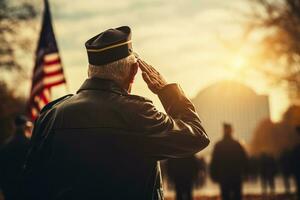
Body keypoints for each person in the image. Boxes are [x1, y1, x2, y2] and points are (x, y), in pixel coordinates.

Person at [23, 26, 210, 200]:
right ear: (134, 71)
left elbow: (31, 182)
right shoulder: (138, 113)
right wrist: (167, 91)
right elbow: (196, 136)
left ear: (91, 70)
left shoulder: (51, 114)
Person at [210, 123, 247, 200]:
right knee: (237, 196)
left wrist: (214, 175)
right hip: (236, 176)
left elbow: (214, 162)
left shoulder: (218, 145)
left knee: (225, 196)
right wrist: (246, 173)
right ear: (231, 131)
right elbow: (244, 160)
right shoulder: (237, 144)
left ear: (223, 131)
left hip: (224, 176)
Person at [0, 115, 31, 200]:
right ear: (25, 126)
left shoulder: (5, 146)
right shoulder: (30, 144)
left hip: (9, 187)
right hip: (26, 187)